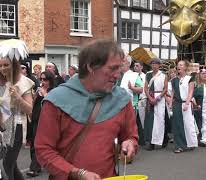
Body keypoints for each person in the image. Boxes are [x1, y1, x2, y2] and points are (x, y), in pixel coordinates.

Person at [35, 39, 138, 179]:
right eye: (112, 68)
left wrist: (130, 143)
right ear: (91, 67)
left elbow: (130, 136)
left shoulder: (122, 99)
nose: (117, 75)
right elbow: (43, 150)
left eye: (119, 69)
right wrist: (77, 173)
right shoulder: (56, 100)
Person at [0, 39, 34, 180]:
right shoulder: (0, 82)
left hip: (16, 128)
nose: (3, 68)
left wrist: (17, 97)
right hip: (0, 126)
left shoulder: (23, 82)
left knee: (6, 164)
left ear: (14, 65)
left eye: (6, 65)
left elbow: (30, 110)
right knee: (11, 166)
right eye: (0, 66)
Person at [26, 71, 55, 177]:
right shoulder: (39, 90)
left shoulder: (54, 91)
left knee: (41, 144)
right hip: (36, 117)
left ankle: (35, 167)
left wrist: (45, 94)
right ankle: (35, 166)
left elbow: (52, 103)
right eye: (41, 79)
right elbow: (33, 104)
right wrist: (35, 96)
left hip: (47, 120)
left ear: (50, 80)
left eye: (45, 79)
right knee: (33, 142)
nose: (42, 81)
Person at [170, 60, 198, 153]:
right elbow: (173, 92)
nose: (179, 66)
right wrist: (170, 103)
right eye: (178, 65)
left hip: (186, 103)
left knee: (188, 124)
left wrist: (187, 103)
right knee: (177, 125)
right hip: (177, 104)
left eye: (181, 65)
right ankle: (179, 145)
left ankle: (190, 143)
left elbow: (190, 92)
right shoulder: (174, 80)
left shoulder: (190, 79)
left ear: (185, 67)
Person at [144, 58, 167, 151]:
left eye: (156, 64)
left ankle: (162, 139)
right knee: (150, 120)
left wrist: (159, 97)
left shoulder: (163, 75)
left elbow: (165, 88)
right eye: (152, 64)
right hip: (150, 96)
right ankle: (151, 142)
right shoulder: (148, 74)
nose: (154, 65)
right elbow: (145, 88)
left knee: (160, 120)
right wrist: (150, 98)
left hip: (159, 98)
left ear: (159, 65)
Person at [120, 56, 144, 146]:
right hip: (117, 106)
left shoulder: (134, 75)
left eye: (123, 61)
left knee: (129, 128)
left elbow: (141, 89)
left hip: (130, 105)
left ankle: (129, 147)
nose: (121, 63)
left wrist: (132, 88)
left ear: (128, 63)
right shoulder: (117, 74)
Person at [134, 62, 146, 137]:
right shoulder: (131, 76)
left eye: (137, 66)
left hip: (142, 99)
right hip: (134, 100)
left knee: (142, 120)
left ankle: (143, 138)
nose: (135, 67)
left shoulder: (145, 76)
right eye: (134, 66)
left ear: (141, 67)